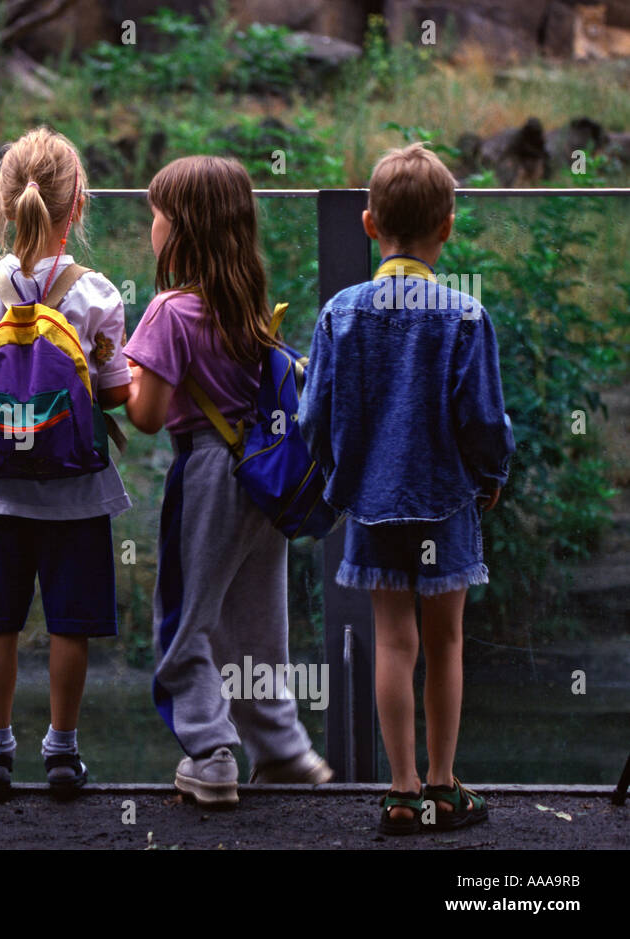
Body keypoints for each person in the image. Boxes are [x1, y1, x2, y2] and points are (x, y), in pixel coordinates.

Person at [299, 142, 514, 834]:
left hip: (371, 501)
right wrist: (491, 475)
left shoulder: (340, 313)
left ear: (368, 224)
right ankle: (444, 786)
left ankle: (398, 788)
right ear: (447, 227)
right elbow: (482, 419)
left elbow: (315, 417)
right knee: (445, 641)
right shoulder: (465, 315)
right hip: (444, 499)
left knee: (392, 640)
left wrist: (337, 479)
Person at [123, 155, 332, 808]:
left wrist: (108, 377)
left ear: (181, 229)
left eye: (156, 216)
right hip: (261, 476)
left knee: (185, 619)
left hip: (208, 474)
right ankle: (284, 747)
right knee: (256, 622)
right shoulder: (250, 311)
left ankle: (212, 754)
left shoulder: (169, 312)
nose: (150, 228)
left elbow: (148, 416)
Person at [0, 127, 132, 802]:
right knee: (70, 623)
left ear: (1, 201)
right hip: (77, 492)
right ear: (77, 206)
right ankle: (63, 751)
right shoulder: (97, 293)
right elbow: (113, 390)